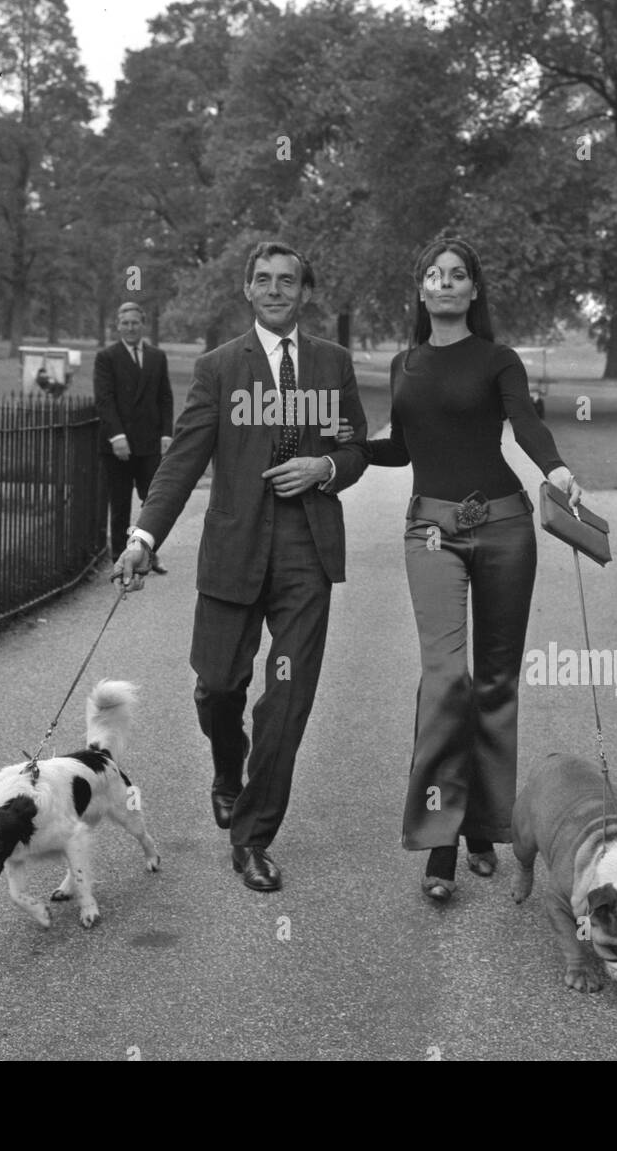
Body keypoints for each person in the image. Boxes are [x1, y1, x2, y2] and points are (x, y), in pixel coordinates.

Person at [112, 242, 369, 893]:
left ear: (303, 291)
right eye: (264, 280)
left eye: (288, 280)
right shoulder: (220, 368)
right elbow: (183, 460)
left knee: (287, 701)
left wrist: (327, 467)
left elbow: (356, 448)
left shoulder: (332, 365)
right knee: (219, 687)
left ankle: (252, 837)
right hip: (233, 548)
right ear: (248, 291)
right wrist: (143, 537)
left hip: (306, 552)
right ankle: (230, 769)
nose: (277, 289)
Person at [359, 236, 584, 902]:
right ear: (422, 289)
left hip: (508, 527)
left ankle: (484, 825)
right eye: (435, 273)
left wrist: (558, 469)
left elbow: (526, 423)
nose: (447, 282)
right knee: (445, 680)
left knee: (495, 685)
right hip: (431, 530)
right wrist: (344, 451)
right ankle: (439, 841)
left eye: (458, 274)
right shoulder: (405, 365)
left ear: (473, 290)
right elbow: (402, 449)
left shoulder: (498, 361)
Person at [94, 302, 173, 573]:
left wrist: (166, 434)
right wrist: (117, 436)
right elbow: (104, 400)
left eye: (135, 322)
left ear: (143, 325)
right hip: (118, 444)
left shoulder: (157, 356)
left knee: (152, 501)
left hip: (149, 442)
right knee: (119, 504)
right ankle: (120, 556)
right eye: (125, 323)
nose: (130, 327)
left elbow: (165, 397)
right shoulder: (107, 357)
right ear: (118, 326)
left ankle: (149, 554)